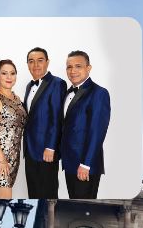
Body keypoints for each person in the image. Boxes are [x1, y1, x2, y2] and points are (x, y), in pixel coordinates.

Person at [59, 50, 111, 199]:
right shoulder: (67, 93)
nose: (73, 71)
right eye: (69, 67)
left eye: (78, 66)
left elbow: (97, 131)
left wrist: (86, 164)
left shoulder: (99, 93)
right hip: (69, 163)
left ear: (88, 68)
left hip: (85, 166)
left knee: (83, 210)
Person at [22, 47, 67, 199]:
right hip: (29, 149)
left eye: (40, 61)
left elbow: (57, 118)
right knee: (33, 193)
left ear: (47, 62)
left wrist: (51, 146)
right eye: (31, 61)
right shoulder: (29, 86)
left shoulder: (57, 83)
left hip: (46, 150)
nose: (35, 65)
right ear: (27, 64)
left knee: (48, 194)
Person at [0, 59, 26, 199]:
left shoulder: (17, 99)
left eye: (12, 73)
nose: (9, 77)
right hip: (0, 156)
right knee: (5, 197)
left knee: (1, 197)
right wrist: (2, 159)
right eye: (4, 73)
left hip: (14, 154)